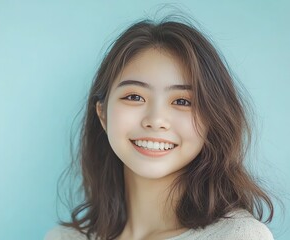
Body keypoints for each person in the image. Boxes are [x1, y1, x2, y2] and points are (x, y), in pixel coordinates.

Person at [45, 17, 275, 240]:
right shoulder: (62, 238)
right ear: (102, 114)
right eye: (134, 96)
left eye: (183, 101)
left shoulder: (239, 236)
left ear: (212, 120)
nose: (156, 120)